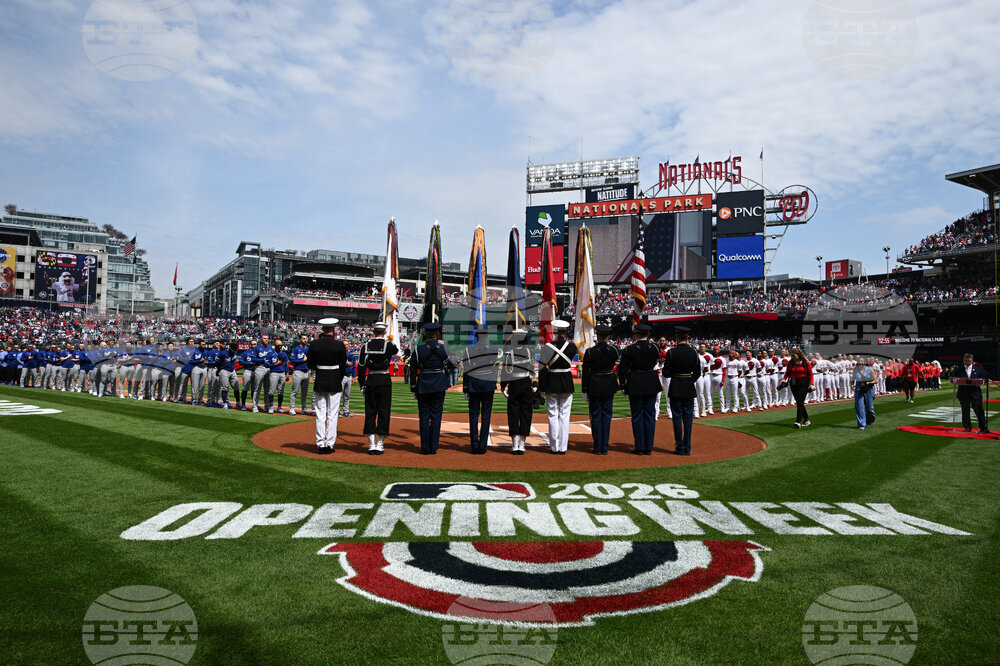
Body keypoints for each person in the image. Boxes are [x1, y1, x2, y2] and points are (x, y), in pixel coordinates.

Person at [618, 323, 661, 455]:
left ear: (636, 334)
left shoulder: (628, 349)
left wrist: (623, 385)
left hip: (635, 382)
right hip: (650, 382)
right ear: (648, 334)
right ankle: (648, 447)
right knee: (650, 415)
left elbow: (622, 369)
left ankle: (640, 446)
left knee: (637, 416)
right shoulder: (655, 348)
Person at [409, 322, 451, 455]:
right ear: (437, 334)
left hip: (423, 384)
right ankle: (434, 447)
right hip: (439, 383)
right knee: (436, 416)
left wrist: (413, 386)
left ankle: (425, 447)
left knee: (424, 416)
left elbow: (413, 370)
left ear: (425, 334)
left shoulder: (418, 349)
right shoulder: (444, 347)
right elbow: (451, 365)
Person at [307, 318, 347, 453]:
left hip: (320, 378)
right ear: (333, 329)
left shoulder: (314, 344)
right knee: (333, 414)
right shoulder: (340, 345)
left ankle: (320, 443)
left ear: (322, 329)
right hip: (335, 378)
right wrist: (338, 377)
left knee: (320, 413)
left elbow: (310, 365)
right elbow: (343, 365)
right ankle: (329, 444)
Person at [538, 320, 577, 454]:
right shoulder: (572, 347)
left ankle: (554, 447)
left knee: (552, 415)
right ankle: (563, 447)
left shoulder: (547, 347)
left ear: (554, 331)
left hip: (551, 382)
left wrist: (542, 386)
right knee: (565, 416)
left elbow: (542, 369)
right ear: (566, 331)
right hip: (566, 382)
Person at [358, 322, 397, 454]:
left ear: (373, 332)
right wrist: (390, 340)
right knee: (384, 411)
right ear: (385, 332)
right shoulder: (389, 345)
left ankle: (371, 444)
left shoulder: (365, 346)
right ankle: (380, 444)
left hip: (371, 381)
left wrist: (362, 384)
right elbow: (397, 351)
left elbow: (361, 367)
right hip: (385, 380)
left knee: (370, 412)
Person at [461, 325, 501, 454]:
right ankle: (483, 445)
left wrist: (466, 388)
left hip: (473, 385)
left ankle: (474, 445)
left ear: (476, 335)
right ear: (487, 335)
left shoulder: (469, 351)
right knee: (486, 415)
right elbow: (494, 367)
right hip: (488, 384)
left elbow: (466, 371)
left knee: (473, 416)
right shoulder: (494, 349)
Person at [581, 324, 619, 455]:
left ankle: (598, 446)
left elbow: (585, 372)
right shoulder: (614, 350)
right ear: (608, 337)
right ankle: (605, 446)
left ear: (597, 336)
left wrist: (584, 389)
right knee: (607, 416)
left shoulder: (590, 352)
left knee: (596, 416)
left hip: (595, 385)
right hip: (609, 384)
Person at [662, 326, 700, 456]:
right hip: (688, 387)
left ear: (677, 337)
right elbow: (698, 372)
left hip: (676, 386)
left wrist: (675, 374)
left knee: (677, 418)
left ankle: (679, 446)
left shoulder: (671, 352)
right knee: (688, 418)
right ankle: (687, 447)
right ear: (687, 337)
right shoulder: (694, 352)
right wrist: (689, 380)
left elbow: (666, 373)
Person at [500, 328, 535, 455]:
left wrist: (503, 387)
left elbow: (505, 372)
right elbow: (532, 370)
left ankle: (514, 444)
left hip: (514, 385)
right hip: (526, 385)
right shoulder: (530, 352)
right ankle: (522, 444)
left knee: (513, 415)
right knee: (526, 414)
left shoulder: (509, 354)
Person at [951, 353, 989, 433]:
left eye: (969, 361)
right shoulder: (958, 369)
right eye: (965, 360)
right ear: (963, 360)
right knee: (965, 411)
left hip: (975, 393)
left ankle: (983, 428)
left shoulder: (978, 369)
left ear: (972, 360)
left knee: (979, 411)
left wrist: (979, 381)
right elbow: (953, 379)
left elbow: (984, 379)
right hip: (963, 393)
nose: (967, 362)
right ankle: (967, 427)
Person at [782, 347, 814, 428]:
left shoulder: (805, 362)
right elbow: (787, 372)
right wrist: (784, 379)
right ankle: (806, 420)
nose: (792, 357)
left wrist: (812, 384)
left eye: (794, 355)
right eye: (792, 355)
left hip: (803, 383)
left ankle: (798, 421)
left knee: (799, 402)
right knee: (800, 402)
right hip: (793, 383)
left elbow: (811, 374)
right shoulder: (791, 362)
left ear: (799, 355)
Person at [288, 333, 311, 416]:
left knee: (304, 392)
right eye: (303, 338)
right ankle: (291, 408)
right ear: (300, 340)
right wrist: (303, 360)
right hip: (298, 372)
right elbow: (292, 361)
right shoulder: (295, 349)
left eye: (306, 338)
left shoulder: (308, 349)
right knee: (295, 391)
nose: (305, 340)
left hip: (306, 372)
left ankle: (304, 408)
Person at [265, 336, 289, 414]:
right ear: (274, 345)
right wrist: (276, 364)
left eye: (281, 345)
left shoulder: (284, 354)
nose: (280, 346)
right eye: (278, 345)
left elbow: (286, 365)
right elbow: (266, 365)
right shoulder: (270, 353)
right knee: (272, 391)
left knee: (281, 391)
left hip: (282, 373)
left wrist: (287, 373)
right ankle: (271, 407)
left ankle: (279, 407)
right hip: (274, 373)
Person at [852, 357, 877, 430]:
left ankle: (869, 421)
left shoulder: (870, 369)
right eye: (859, 361)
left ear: (864, 362)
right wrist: (851, 385)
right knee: (859, 407)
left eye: (862, 361)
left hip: (868, 389)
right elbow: (852, 380)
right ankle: (861, 425)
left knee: (869, 409)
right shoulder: (855, 370)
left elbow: (876, 380)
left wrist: (868, 382)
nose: (861, 362)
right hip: (858, 389)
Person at [341, 347, 357, 417]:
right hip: (341, 376)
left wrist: (353, 377)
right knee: (338, 395)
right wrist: (347, 364)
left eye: (347, 345)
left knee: (347, 395)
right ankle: (337, 411)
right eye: (344, 345)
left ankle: (346, 411)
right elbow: (339, 365)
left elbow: (354, 367)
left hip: (349, 376)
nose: (346, 346)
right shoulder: (339, 355)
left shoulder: (351, 355)